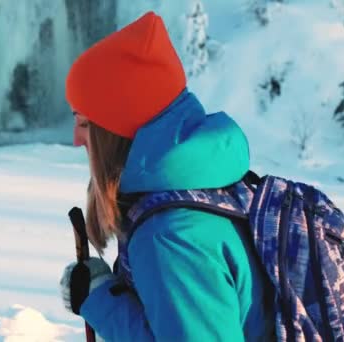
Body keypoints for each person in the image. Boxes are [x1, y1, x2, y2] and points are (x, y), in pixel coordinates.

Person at [60, 11, 274, 341]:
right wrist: (105, 293)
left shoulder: (172, 235)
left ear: (116, 130)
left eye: (85, 122)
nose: (76, 138)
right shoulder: (209, 186)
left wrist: (102, 302)